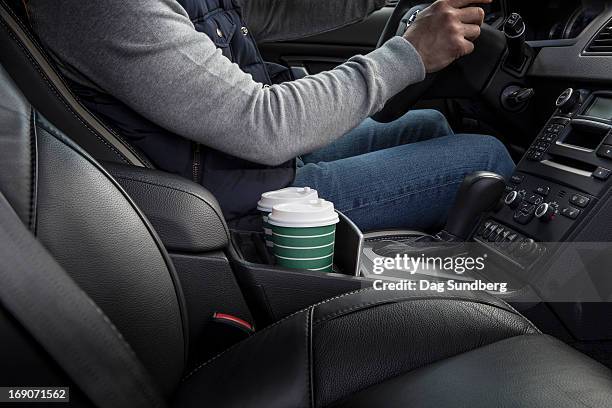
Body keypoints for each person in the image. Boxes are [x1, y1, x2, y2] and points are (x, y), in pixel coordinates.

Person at [27, 0, 514, 231]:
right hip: (226, 204)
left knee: (427, 125)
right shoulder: (102, 7)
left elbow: (269, 10)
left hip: (223, 160)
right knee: (483, 157)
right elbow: (264, 124)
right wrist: (408, 54)